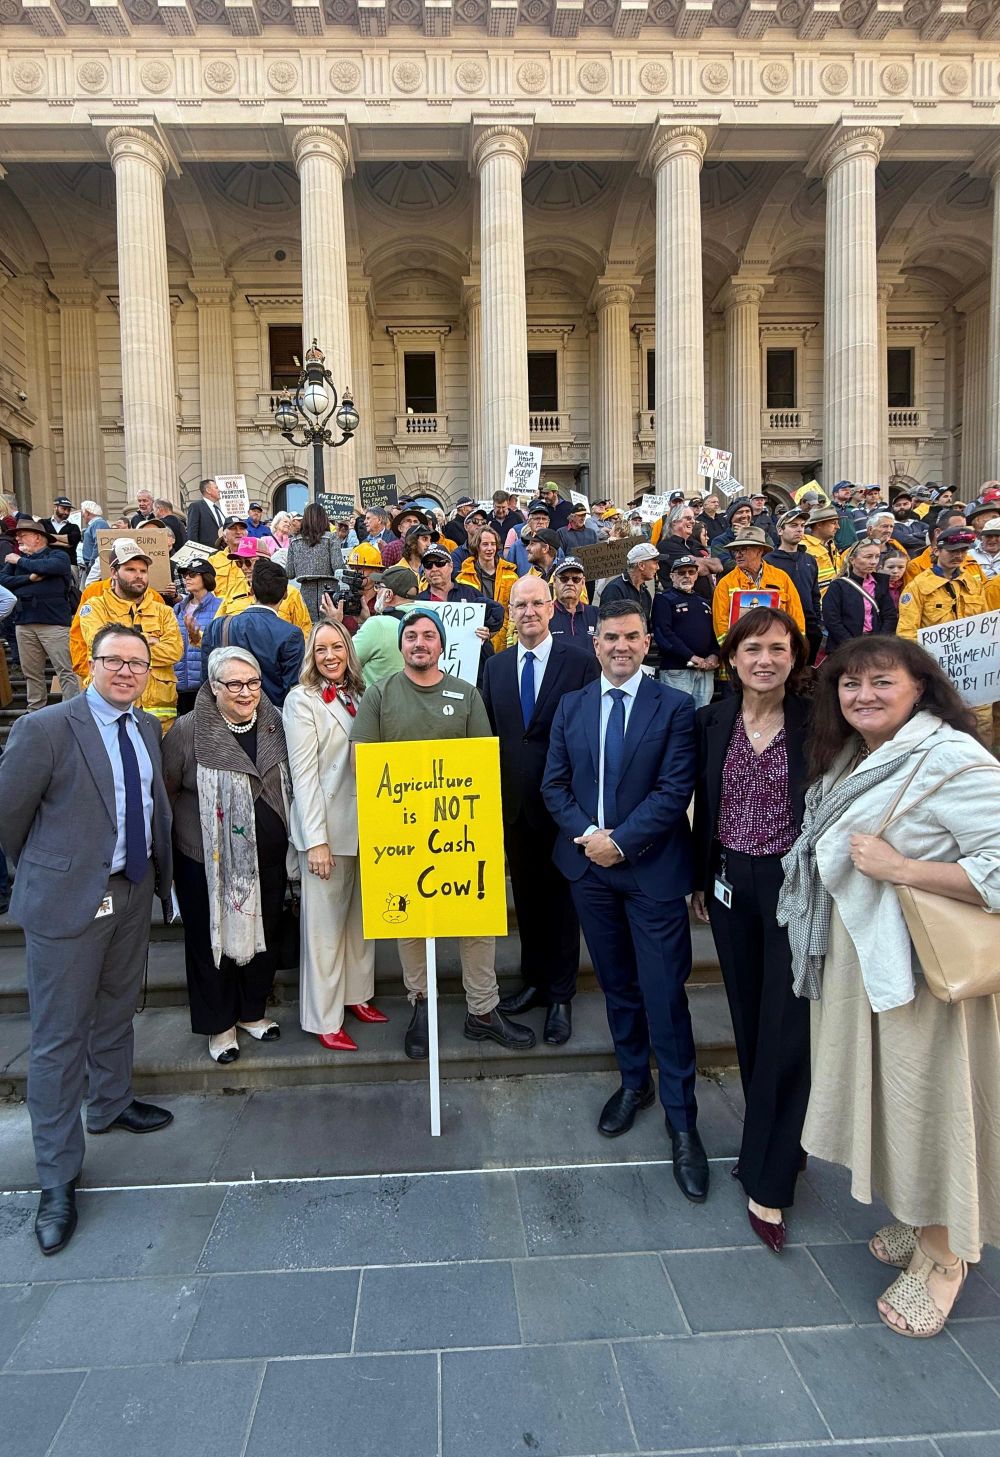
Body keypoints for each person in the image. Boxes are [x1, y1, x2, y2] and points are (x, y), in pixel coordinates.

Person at [777, 635, 1000, 1336]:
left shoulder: (953, 758)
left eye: (880, 682)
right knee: (899, 1103)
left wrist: (903, 868)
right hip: (869, 963)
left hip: (927, 979)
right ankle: (921, 1212)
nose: (863, 695)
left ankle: (946, 1251)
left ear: (920, 687)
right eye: (850, 685)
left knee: (933, 1105)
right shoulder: (854, 757)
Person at [0, 624, 174, 1255]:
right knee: (57, 1038)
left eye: (138, 663)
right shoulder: (47, 728)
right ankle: (56, 1178)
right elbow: (8, 815)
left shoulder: (147, 728)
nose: (126, 672)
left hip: (130, 893)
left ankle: (109, 1102)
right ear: (90, 664)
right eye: (114, 661)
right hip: (70, 901)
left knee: (116, 1009)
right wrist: (53, 870)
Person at [541, 600, 709, 1203]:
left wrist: (622, 842)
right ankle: (633, 1080)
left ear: (645, 643)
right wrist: (591, 839)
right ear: (595, 640)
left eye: (632, 637)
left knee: (664, 993)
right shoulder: (572, 706)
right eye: (610, 637)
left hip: (652, 873)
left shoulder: (676, 707)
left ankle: (683, 1119)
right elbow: (554, 784)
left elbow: (674, 791)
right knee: (617, 986)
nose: (620, 646)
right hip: (590, 871)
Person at [350, 608, 535, 1057]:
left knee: (476, 918)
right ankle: (421, 1004)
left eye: (428, 635)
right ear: (400, 646)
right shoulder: (379, 695)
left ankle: (483, 1009)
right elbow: (361, 761)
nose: (419, 643)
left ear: (442, 645)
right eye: (410, 636)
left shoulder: (466, 693)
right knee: (410, 921)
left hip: (461, 831)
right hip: (401, 832)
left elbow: (481, 764)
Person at [692, 607, 812, 1251]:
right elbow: (706, 806)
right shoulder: (712, 721)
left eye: (777, 648)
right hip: (732, 884)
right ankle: (775, 1142)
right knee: (746, 1018)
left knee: (787, 1027)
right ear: (732, 659)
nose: (765, 659)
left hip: (796, 888)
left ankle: (769, 1178)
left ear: (795, 657)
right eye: (752, 649)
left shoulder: (819, 724)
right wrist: (701, 878)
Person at [482, 577, 600, 1045]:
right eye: (520, 604)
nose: (528, 611)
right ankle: (533, 980)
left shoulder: (580, 661)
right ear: (509, 611)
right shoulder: (496, 666)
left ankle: (560, 995)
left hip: (566, 809)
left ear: (551, 608)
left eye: (536, 603)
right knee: (528, 900)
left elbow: (592, 735)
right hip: (514, 807)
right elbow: (491, 734)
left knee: (562, 904)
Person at [163, 646, 292, 1064]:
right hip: (205, 860)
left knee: (264, 939)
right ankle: (220, 1026)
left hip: (267, 860)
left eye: (253, 683)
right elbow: (166, 791)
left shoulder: (275, 722)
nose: (246, 692)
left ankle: (252, 1012)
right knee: (210, 943)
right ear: (214, 687)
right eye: (234, 684)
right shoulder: (187, 731)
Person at [283, 619, 381, 1050]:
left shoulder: (360, 694)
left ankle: (357, 995)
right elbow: (303, 777)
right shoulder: (301, 701)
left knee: (361, 924)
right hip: (328, 829)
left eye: (336, 647)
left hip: (368, 826)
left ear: (348, 649)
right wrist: (315, 840)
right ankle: (324, 1017)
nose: (330, 656)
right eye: (320, 649)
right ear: (311, 655)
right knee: (324, 931)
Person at [75, 537, 183, 731]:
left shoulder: (164, 611)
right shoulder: (94, 607)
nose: (139, 575)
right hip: (107, 713)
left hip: (159, 719)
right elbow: (102, 645)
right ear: (114, 572)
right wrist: (150, 641)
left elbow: (174, 652)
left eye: (143, 570)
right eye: (131, 570)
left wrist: (124, 647)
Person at [201, 558, 305, 709]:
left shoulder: (217, 626)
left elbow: (206, 681)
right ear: (285, 594)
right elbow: (293, 690)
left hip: (224, 718)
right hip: (272, 722)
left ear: (251, 591)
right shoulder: (291, 634)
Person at [0, 516, 79, 712]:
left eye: (22, 535)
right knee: (31, 673)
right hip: (24, 622)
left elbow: (52, 567)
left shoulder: (57, 556)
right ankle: (35, 712)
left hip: (54, 624)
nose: (18, 539)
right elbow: (3, 580)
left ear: (37, 537)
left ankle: (72, 712)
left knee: (65, 670)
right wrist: (30, 578)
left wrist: (19, 561)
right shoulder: (19, 561)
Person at [711, 526, 805, 643]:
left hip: (776, 648)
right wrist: (733, 651)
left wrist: (794, 647)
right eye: (735, 550)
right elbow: (720, 624)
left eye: (743, 549)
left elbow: (796, 616)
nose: (737, 555)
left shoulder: (781, 578)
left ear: (760, 550)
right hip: (741, 652)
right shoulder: (725, 584)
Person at [652, 555, 718, 709]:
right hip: (678, 670)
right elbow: (663, 633)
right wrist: (691, 656)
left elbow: (716, 631)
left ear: (696, 575)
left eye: (691, 572)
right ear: (672, 576)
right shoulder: (664, 599)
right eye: (681, 573)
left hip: (705, 670)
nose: (687, 576)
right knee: (677, 716)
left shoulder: (704, 602)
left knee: (702, 715)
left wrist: (715, 655)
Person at [767, 507, 823, 661]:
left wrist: (817, 623)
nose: (799, 529)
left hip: (809, 626)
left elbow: (815, 594)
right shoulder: (768, 561)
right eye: (793, 525)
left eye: (802, 526)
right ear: (780, 530)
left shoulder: (809, 560)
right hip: (782, 625)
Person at [822, 540, 898, 648]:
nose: (874, 562)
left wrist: (880, 641)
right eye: (868, 557)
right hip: (846, 647)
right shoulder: (838, 586)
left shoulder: (880, 583)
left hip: (876, 644)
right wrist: (852, 644)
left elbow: (889, 616)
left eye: (877, 556)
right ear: (852, 560)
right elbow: (832, 620)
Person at [456, 525, 519, 653]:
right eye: (485, 544)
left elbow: (515, 612)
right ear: (477, 547)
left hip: (504, 641)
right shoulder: (463, 578)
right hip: (474, 642)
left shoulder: (511, 576)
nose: (490, 548)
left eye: (493, 544)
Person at [352, 565, 418, 686]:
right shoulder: (430, 619)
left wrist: (334, 622)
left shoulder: (377, 625)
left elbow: (345, 660)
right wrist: (363, 623)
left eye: (379, 587)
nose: (377, 592)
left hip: (377, 702)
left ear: (388, 595)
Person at [172, 560, 221, 715]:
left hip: (206, 685)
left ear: (206, 578)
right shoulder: (178, 608)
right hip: (180, 685)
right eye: (186, 574)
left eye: (193, 574)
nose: (187, 578)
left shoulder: (221, 606)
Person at [286, 502, 344, 621]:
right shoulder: (331, 537)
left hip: (306, 592)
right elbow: (338, 566)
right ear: (324, 519)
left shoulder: (294, 541)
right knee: (330, 626)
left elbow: (289, 573)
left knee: (308, 628)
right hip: (329, 591)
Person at [598, 540, 659, 632]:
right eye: (655, 563)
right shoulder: (615, 589)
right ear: (641, 565)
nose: (658, 567)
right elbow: (607, 625)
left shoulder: (645, 593)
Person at [550, 556, 598, 652]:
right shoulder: (545, 614)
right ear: (554, 581)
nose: (570, 583)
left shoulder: (596, 614)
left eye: (576, 579)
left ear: (583, 582)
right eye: (564, 579)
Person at [801, 506, 844, 593]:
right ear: (819, 525)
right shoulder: (803, 547)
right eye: (833, 523)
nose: (838, 527)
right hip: (818, 603)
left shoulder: (831, 545)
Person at [41, 497, 83, 569]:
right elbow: (40, 540)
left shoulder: (74, 527)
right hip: (46, 563)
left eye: (68, 510)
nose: (66, 512)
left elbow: (73, 540)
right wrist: (64, 543)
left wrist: (49, 537)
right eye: (63, 509)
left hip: (69, 564)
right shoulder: (43, 523)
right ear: (55, 507)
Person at [187, 478, 227, 546]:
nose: (219, 490)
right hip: (207, 552)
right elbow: (192, 533)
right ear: (208, 490)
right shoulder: (196, 506)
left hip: (222, 552)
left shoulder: (218, 509)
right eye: (216, 488)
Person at [79, 500, 109, 577]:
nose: (82, 515)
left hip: (95, 566)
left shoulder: (99, 523)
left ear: (88, 513)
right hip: (92, 565)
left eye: (83, 513)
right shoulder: (95, 525)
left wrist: (91, 563)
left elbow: (99, 544)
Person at [968, 512, 1000, 581]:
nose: (992, 539)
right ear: (982, 537)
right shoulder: (968, 555)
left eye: (997, 536)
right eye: (988, 536)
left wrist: (981, 573)